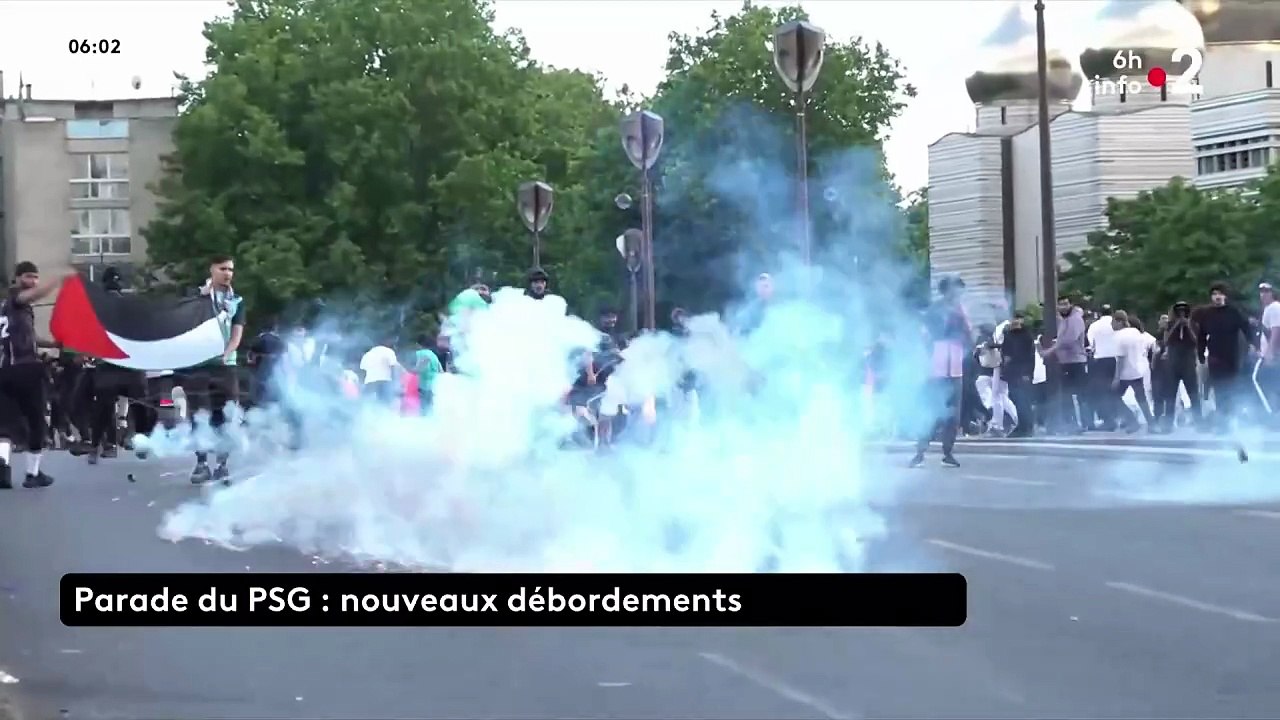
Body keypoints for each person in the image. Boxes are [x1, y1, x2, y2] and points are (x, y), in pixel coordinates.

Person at [0, 262, 71, 489]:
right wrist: (58, 279)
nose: (34, 282)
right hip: (26, 369)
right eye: (29, 277)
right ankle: (33, 474)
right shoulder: (16, 300)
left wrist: (50, 343)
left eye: (36, 277)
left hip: (6, 370)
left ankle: (3, 468)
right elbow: (31, 296)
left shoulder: (5, 308)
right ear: (17, 278)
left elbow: (26, 336)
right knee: (36, 420)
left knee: (5, 424)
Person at [185, 255, 246, 485]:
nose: (228, 273)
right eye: (223, 268)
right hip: (199, 366)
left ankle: (222, 465)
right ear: (212, 269)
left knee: (227, 416)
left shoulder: (237, 301)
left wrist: (227, 352)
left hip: (225, 367)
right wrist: (200, 299)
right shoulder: (197, 298)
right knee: (200, 416)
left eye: (231, 269)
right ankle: (201, 463)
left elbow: (237, 333)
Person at [910, 276, 968, 468]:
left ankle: (948, 451)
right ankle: (920, 451)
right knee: (932, 410)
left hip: (956, 365)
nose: (958, 293)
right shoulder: (935, 310)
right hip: (938, 365)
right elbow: (925, 337)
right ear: (946, 290)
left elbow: (968, 335)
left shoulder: (960, 309)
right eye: (955, 289)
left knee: (954, 414)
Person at [1197, 282, 1255, 433]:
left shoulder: (1233, 312)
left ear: (1225, 296)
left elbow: (1246, 328)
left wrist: (1253, 344)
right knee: (1218, 389)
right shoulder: (1207, 314)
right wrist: (1200, 353)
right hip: (1215, 355)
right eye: (1214, 294)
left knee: (1231, 387)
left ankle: (1233, 419)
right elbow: (1202, 335)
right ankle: (1223, 423)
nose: (1217, 297)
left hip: (1232, 355)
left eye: (1220, 294)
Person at [1111, 311, 1155, 432]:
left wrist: (1116, 377)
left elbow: (1120, 359)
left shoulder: (1118, 336)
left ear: (1119, 321)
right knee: (1141, 398)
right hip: (1138, 371)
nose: (1112, 325)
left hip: (1125, 373)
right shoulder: (1135, 332)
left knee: (1113, 396)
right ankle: (1151, 424)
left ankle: (1132, 420)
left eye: (1113, 322)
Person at [359, 336, 402, 406]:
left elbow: (362, 371)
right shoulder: (388, 351)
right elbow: (393, 367)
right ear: (386, 341)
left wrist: (363, 385)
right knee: (385, 404)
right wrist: (396, 383)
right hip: (384, 381)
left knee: (369, 404)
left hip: (369, 383)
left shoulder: (368, 354)